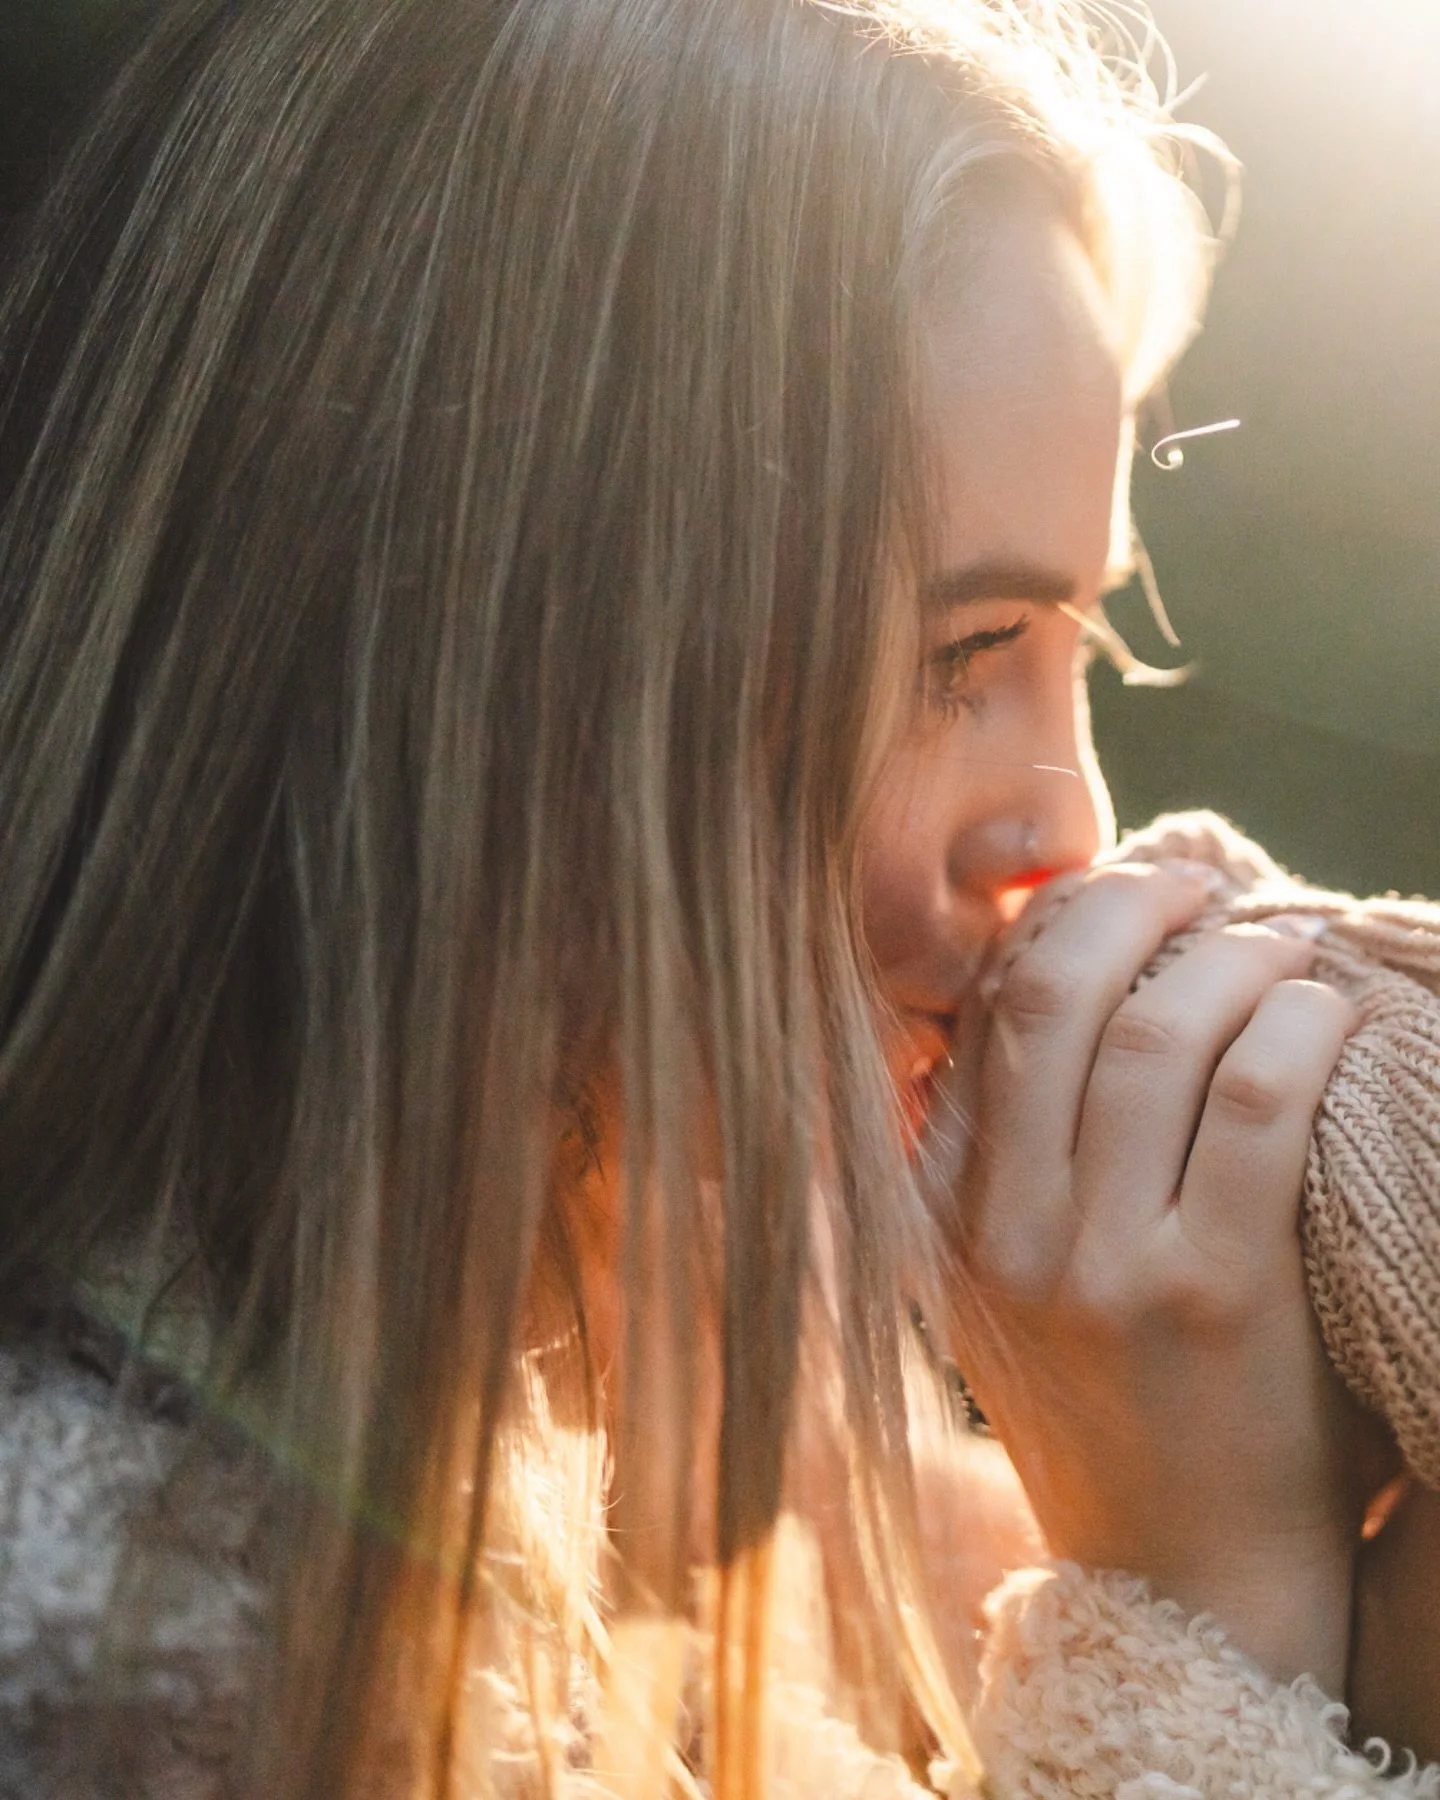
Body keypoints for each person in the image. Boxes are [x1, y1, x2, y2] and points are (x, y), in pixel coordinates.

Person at [0, 0, 1428, 1796]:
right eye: (961, 654)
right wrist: (1208, 1616)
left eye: (1084, 653)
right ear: (482, 666)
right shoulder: (129, 1653)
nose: (1075, 823)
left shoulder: (805, 1504)